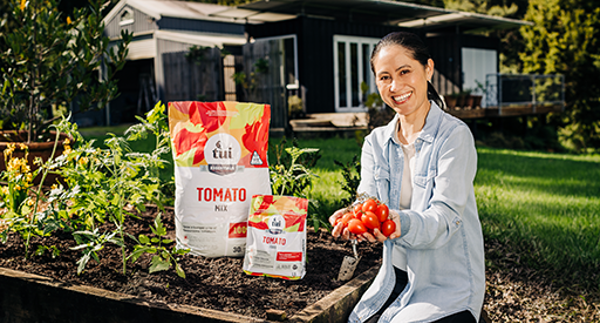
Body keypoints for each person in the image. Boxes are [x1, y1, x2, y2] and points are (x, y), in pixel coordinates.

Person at [329, 31, 485, 323]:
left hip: (447, 285)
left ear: (428, 69)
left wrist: (400, 223)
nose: (395, 86)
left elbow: (445, 218)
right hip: (395, 277)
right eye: (385, 77)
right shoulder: (376, 142)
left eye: (405, 72)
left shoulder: (454, 136)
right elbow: (368, 198)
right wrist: (355, 215)